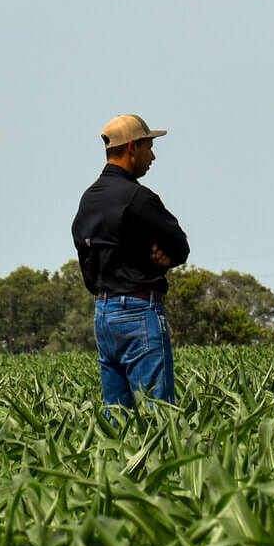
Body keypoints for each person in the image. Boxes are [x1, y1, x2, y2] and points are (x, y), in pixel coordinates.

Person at [72, 114, 189, 413]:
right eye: (149, 147)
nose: (153, 156)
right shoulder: (138, 198)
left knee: (118, 420)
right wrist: (166, 258)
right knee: (159, 416)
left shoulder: (89, 199)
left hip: (103, 314)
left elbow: (87, 264)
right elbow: (180, 245)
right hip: (139, 311)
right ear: (132, 147)